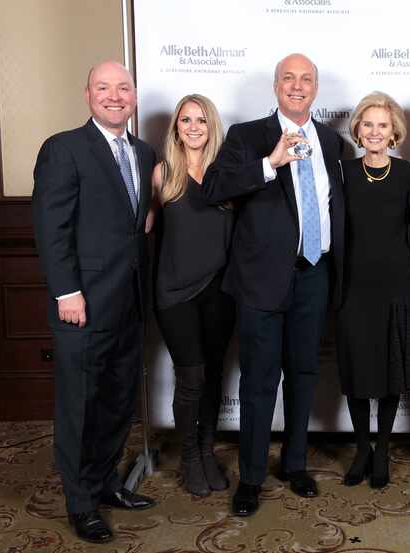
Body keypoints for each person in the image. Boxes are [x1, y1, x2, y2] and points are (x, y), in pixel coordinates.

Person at [201, 53, 344, 517]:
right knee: (260, 382)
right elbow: (215, 187)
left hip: (314, 276)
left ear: (316, 88)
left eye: (306, 79)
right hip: (261, 282)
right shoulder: (248, 136)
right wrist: (270, 162)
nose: (297, 86)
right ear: (276, 86)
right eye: (288, 78)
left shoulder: (331, 141)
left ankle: (295, 463)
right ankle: (253, 478)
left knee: (304, 376)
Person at [31, 61, 156, 544]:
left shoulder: (143, 153)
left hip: (129, 302)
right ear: (88, 94)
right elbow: (51, 227)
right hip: (82, 303)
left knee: (117, 400)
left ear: (135, 97)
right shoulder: (64, 149)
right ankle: (79, 503)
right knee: (80, 406)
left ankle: (105, 483)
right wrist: (67, 292)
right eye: (104, 88)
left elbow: (135, 223)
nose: (115, 95)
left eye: (123, 88)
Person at [337, 92, 410, 489]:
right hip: (353, 287)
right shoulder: (342, 172)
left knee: (390, 371)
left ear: (394, 132)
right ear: (358, 129)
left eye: (383, 125)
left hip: (397, 285)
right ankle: (362, 449)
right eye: (368, 124)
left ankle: (383, 449)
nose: (375, 132)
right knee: (358, 371)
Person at [149, 94, 236, 497]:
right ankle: (187, 457)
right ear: (176, 128)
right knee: (192, 377)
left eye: (201, 120)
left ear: (211, 125)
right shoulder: (161, 174)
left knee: (214, 373)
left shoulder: (225, 175)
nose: (194, 127)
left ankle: (205, 452)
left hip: (219, 292)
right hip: (175, 293)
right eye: (186, 120)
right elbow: (144, 235)